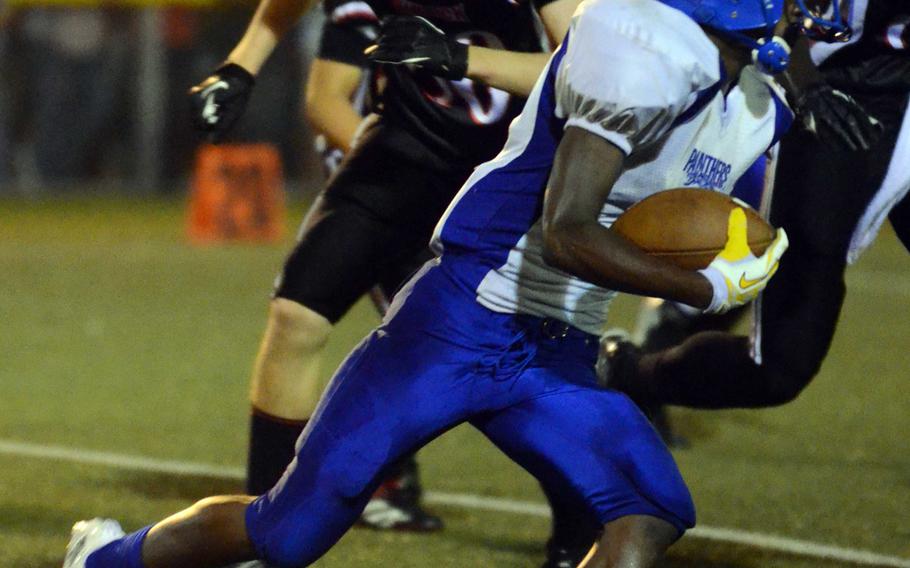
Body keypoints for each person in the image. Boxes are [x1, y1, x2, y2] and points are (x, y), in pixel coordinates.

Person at [64, 1, 860, 566]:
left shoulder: (763, 97)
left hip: (557, 347)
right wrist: (702, 289)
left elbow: (693, 209)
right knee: (283, 536)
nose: (815, 10)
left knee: (647, 511)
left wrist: (745, 243)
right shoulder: (639, 41)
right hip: (460, 319)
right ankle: (108, 558)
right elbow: (568, 229)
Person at [185, 0, 579, 535]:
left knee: (507, 358)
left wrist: (459, 57)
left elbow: (583, 67)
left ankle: (580, 520)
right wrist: (241, 66)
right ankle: (264, 521)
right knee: (297, 314)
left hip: (505, 166)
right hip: (400, 148)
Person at [600, 0, 910, 418]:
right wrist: (807, 86)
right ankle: (629, 372)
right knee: (780, 368)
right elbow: (761, 9)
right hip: (836, 93)